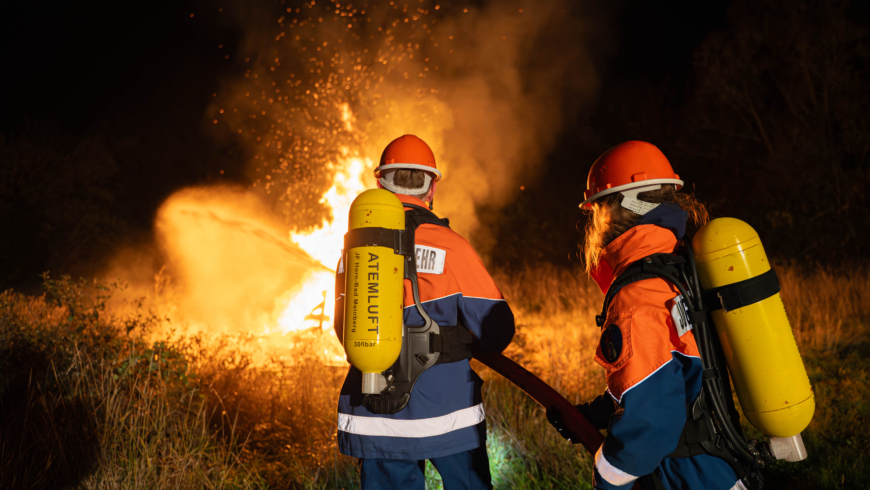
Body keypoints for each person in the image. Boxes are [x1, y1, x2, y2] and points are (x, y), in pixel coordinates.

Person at [549, 141, 745, 490]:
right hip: (717, 465)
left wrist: (608, 480)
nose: (594, 222)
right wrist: (597, 414)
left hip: (687, 476)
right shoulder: (678, 264)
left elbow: (651, 422)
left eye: (597, 208)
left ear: (618, 207)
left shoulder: (638, 296)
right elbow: (667, 371)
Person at [333, 134, 515, 490]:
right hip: (448, 415)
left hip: (376, 413)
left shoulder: (354, 250)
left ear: (380, 182)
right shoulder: (453, 248)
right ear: (431, 187)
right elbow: (498, 331)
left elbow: (344, 329)